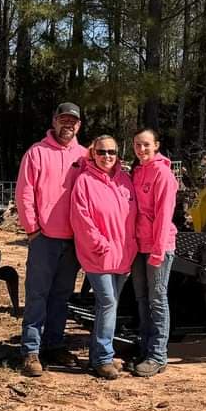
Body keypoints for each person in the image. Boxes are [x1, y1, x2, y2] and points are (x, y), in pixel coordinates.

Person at [15, 102, 89, 377]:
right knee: (37, 294)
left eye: (73, 121)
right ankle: (31, 351)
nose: (67, 124)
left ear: (79, 125)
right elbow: (24, 193)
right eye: (63, 119)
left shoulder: (85, 156)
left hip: (73, 240)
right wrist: (33, 230)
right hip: (44, 238)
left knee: (62, 295)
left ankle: (54, 345)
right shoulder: (36, 153)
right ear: (54, 121)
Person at [69, 135, 137, 379]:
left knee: (110, 305)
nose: (106, 156)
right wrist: (99, 244)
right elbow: (81, 218)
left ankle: (102, 352)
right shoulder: (84, 182)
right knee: (107, 302)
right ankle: (102, 359)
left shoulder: (125, 180)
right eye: (101, 152)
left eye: (111, 152)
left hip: (123, 255)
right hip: (98, 256)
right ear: (93, 154)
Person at [130, 128, 179, 377]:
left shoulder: (163, 174)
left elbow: (163, 216)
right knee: (141, 298)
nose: (141, 149)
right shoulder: (137, 172)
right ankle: (145, 347)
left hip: (158, 246)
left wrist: (158, 251)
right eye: (137, 145)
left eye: (146, 145)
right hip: (139, 246)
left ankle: (158, 355)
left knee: (157, 299)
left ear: (156, 145)